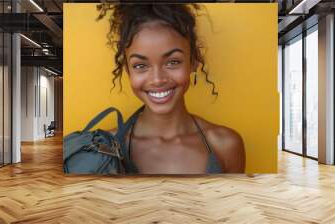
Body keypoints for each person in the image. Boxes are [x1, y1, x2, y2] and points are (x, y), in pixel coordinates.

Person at [97, 3, 245, 174]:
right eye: (140, 65)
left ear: (194, 61)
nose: (158, 79)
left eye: (173, 62)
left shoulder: (226, 144)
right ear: (128, 71)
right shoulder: (103, 147)